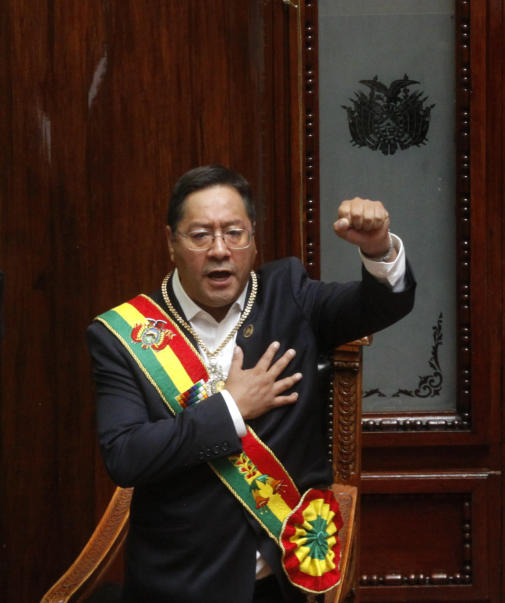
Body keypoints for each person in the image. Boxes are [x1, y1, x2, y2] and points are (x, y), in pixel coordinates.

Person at [89, 165, 415, 602]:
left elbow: (381, 306)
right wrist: (230, 409)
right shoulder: (126, 336)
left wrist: (378, 248)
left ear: (253, 238)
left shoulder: (290, 294)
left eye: (234, 233)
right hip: (184, 584)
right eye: (201, 235)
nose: (220, 250)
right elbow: (125, 456)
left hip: (287, 583)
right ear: (171, 243)